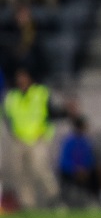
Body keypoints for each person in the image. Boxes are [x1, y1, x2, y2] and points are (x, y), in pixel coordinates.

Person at [2, 68, 64, 210]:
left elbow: (51, 113)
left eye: (23, 76)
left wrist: (46, 133)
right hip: (18, 139)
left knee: (40, 168)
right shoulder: (11, 96)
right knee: (21, 172)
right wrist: (13, 134)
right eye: (19, 77)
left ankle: (53, 196)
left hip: (38, 138)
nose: (21, 80)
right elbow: (7, 117)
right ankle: (27, 203)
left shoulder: (40, 93)